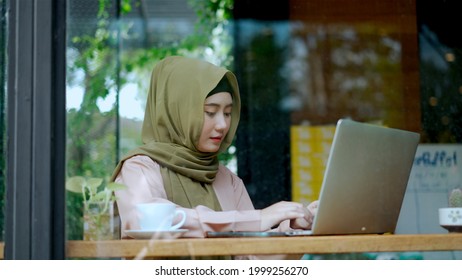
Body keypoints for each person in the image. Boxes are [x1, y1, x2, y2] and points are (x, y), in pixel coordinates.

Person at [111, 56, 318, 259]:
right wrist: (255, 219)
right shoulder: (139, 168)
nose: (223, 125)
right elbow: (148, 221)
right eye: (210, 112)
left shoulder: (227, 179)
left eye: (227, 113)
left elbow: (253, 263)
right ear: (179, 113)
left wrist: (295, 230)